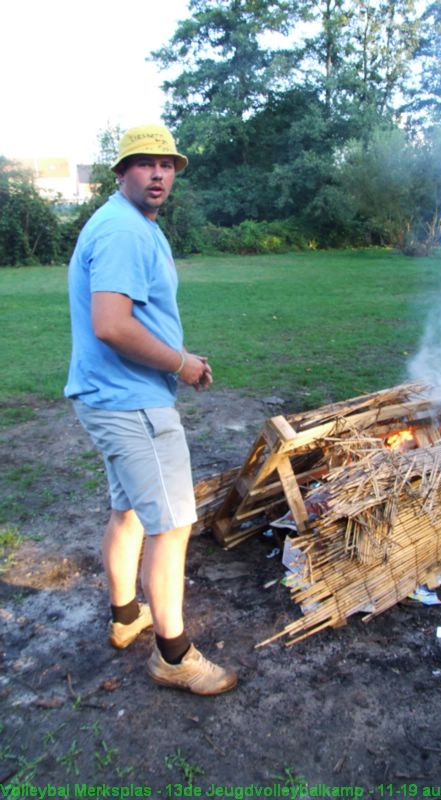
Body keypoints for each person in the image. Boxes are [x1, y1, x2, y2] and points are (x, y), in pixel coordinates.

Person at [64, 124, 237, 696]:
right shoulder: (122, 230)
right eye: (144, 164)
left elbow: (136, 317)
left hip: (113, 395)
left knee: (130, 513)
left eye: (167, 165)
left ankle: (124, 617)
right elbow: (111, 325)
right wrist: (179, 365)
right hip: (131, 402)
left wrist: (181, 357)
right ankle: (174, 655)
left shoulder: (134, 225)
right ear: (121, 173)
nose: (159, 173)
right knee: (173, 525)